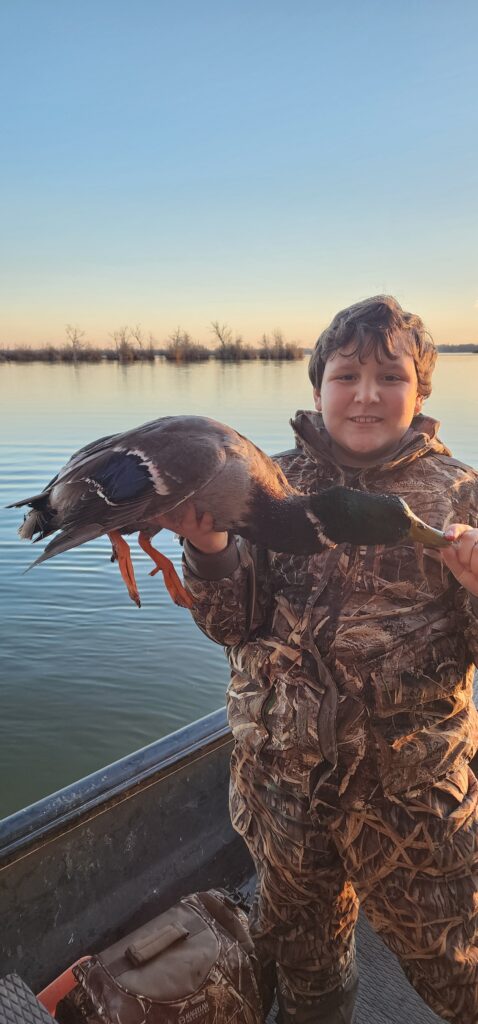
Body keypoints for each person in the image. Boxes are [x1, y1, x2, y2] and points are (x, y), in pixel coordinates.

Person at [167, 297, 478, 1023]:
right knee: (305, 974)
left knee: (463, 973)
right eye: (347, 375)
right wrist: (207, 549)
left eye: (390, 376)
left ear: (421, 391)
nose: (367, 394)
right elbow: (231, 625)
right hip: (282, 795)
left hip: (414, 806)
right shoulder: (257, 485)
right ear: (317, 389)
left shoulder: (462, 494)